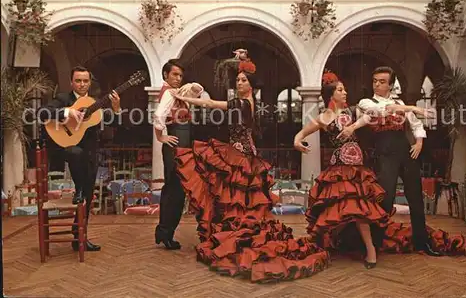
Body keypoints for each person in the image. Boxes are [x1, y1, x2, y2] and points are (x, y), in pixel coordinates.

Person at [172, 51, 329, 282]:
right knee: (237, 198)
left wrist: (186, 99)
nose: (239, 82)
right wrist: (242, 59)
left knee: (235, 196)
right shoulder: (248, 102)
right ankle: (235, 234)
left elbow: (210, 103)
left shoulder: (241, 103)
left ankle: (237, 237)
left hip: (239, 154)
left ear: (251, 85)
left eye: (243, 80)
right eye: (238, 80)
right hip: (243, 152)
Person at [338, 66, 444, 256]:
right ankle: (376, 244)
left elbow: (415, 123)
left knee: (416, 198)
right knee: (385, 200)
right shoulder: (366, 102)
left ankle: (421, 243)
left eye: (382, 81)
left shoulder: (399, 102)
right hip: (385, 153)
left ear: (390, 84)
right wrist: (410, 107)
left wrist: (419, 142)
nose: (377, 84)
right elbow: (379, 111)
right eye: (375, 81)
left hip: (406, 151)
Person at [293, 72, 389, 269]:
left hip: (357, 168)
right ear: (331, 94)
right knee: (337, 209)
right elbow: (301, 133)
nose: (345, 92)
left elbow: (374, 114)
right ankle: (332, 244)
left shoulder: (354, 111)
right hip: (339, 168)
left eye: (344, 89)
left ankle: (370, 249)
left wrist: (353, 127)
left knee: (361, 209)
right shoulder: (323, 118)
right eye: (340, 90)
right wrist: (297, 141)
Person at [39, 66, 121, 252]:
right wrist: (67, 113)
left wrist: (116, 109)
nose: (82, 84)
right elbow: (43, 113)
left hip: (89, 153)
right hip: (65, 147)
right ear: (72, 82)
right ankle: (79, 189)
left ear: (90, 83)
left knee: (88, 196)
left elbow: (113, 124)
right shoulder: (63, 99)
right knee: (76, 153)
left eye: (85, 81)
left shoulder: (94, 103)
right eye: (78, 81)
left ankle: (79, 237)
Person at [152, 59, 198, 250]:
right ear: (165, 75)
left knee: (175, 189)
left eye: (181, 75)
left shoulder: (175, 92)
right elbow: (158, 116)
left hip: (181, 139)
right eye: (174, 75)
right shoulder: (169, 93)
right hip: (176, 140)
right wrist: (161, 137)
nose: (178, 78)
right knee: (175, 189)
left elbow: (198, 89)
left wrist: (186, 87)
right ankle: (165, 232)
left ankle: (165, 232)